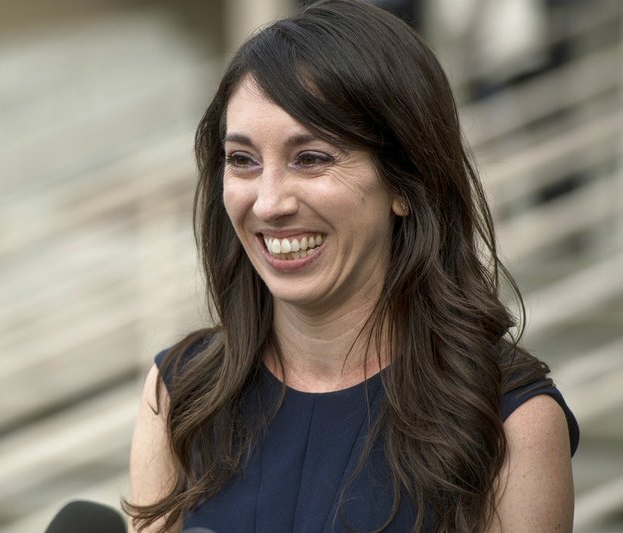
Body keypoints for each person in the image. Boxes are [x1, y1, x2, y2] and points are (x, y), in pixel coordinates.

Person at [125, 1, 579, 531]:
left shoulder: (510, 420)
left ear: (406, 184)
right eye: (243, 160)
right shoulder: (179, 393)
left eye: (311, 158)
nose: (269, 203)